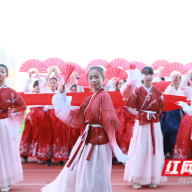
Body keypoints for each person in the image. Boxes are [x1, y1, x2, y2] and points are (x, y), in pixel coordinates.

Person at [41, 66, 128, 192]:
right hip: (88, 140)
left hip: (99, 143)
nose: (94, 80)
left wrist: (114, 144)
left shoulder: (104, 96)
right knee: (87, 172)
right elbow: (78, 115)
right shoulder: (90, 98)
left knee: (96, 173)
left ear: (103, 78)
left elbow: (109, 119)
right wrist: (62, 96)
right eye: (91, 77)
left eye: (97, 77)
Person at [121, 66, 167, 189]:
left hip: (154, 123)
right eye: (145, 74)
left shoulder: (158, 92)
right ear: (142, 76)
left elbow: (161, 107)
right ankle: (136, 178)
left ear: (153, 76)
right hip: (142, 122)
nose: (148, 77)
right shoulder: (137, 91)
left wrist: (153, 115)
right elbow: (130, 103)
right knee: (140, 149)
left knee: (154, 149)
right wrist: (130, 84)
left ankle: (153, 177)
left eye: (150, 74)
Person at [0, 64, 26, 192]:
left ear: (7, 75)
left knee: (5, 152)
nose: (0, 73)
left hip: (3, 124)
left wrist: (9, 114)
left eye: (2, 71)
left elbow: (21, 105)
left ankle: (6, 181)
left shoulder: (10, 91)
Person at [37, 67, 67, 166]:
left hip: (57, 116)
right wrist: (49, 73)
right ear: (49, 85)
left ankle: (60, 159)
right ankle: (48, 158)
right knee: (47, 137)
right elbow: (42, 85)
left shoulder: (59, 92)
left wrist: (57, 75)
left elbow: (63, 84)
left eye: (54, 82)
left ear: (56, 84)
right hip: (48, 117)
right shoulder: (46, 91)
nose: (53, 84)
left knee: (59, 136)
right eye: (51, 83)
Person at [20, 71, 45, 163]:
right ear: (34, 87)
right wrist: (30, 77)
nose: (38, 86)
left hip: (41, 117)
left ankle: (40, 156)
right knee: (27, 135)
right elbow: (26, 88)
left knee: (40, 136)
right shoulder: (30, 93)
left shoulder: (44, 94)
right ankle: (24, 156)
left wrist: (39, 76)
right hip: (31, 117)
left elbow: (44, 87)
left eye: (39, 85)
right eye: (36, 85)